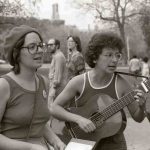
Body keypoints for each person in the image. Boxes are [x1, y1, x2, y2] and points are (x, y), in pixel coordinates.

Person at [50, 32, 146, 150]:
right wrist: (79, 119)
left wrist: (142, 106)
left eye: (117, 55)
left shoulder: (121, 84)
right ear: (95, 58)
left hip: (114, 145)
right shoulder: (79, 82)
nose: (115, 60)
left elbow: (138, 118)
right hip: (83, 142)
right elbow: (54, 108)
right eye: (109, 55)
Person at [0, 25, 65, 150]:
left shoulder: (43, 82)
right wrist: (31, 147)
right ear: (16, 52)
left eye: (40, 45)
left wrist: (56, 141)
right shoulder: (4, 86)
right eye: (32, 47)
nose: (40, 50)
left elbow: (38, 124)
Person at [47, 38, 67, 106]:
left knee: (52, 111)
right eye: (48, 45)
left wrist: (52, 92)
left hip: (56, 89)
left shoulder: (59, 56)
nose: (49, 46)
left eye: (51, 45)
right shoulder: (56, 56)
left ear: (57, 46)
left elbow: (58, 78)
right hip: (55, 88)